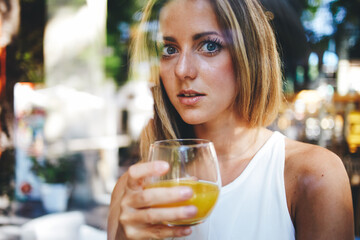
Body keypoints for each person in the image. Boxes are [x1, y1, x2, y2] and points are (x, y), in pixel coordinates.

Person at [107, 0, 354, 239]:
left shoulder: (313, 176)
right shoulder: (135, 193)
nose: (182, 70)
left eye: (209, 46)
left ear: (251, 55)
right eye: (169, 49)